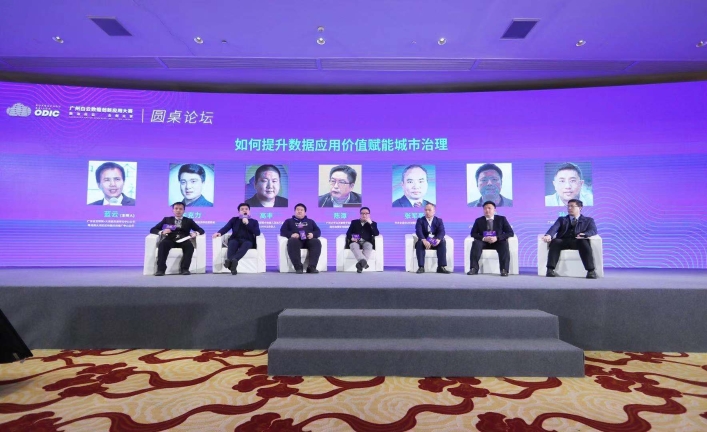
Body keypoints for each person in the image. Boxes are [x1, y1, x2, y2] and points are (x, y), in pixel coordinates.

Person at [542, 199, 598, 279]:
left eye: (572, 206)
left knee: (583, 242)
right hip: (563, 241)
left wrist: (585, 234)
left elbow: (593, 230)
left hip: (577, 241)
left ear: (580, 208)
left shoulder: (588, 220)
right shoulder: (561, 219)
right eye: (568, 206)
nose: (569, 208)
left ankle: (591, 271)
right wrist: (549, 235)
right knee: (555, 242)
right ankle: (550, 269)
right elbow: (554, 228)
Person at [149, 202, 205, 276]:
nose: (178, 210)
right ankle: (161, 269)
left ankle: (185, 269)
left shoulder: (189, 221)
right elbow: (153, 229)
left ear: (184, 211)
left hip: (183, 240)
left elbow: (201, 230)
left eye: (180, 209)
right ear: (173, 210)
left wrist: (195, 233)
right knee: (163, 244)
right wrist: (162, 232)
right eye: (176, 208)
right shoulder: (166, 219)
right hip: (170, 239)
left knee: (189, 246)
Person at [467, 201, 515, 276]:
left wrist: (497, 238)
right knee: (476, 243)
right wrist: (483, 238)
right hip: (484, 242)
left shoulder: (501, 219)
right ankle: (473, 269)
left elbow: (510, 232)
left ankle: (504, 270)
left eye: (489, 208)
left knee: (504, 244)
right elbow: (473, 233)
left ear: (494, 210)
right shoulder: (478, 220)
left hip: (497, 241)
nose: (487, 210)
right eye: (485, 208)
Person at [212, 203, 260, 275]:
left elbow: (257, 233)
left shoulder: (254, 221)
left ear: (249, 211)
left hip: (248, 241)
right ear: (239, 212)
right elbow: (226, 228)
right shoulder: (234, 220)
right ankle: (233, 265)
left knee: (247, 244)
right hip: (235, 239)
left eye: (246, 209)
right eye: (242, 209)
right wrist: (219, 233)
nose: (244, 210)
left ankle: (230, 261)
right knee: (232, 242)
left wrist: (247, 223)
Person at [280, 203, 322, 274]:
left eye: (301, 210)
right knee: (292, 241)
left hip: (308, 240)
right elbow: (283, 231)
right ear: (294, 211)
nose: (299, 211)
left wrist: (313, 234)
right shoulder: (288, 221)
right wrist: (291, 234)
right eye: (297, 210)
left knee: (316, 241)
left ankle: (312, 267)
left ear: (305, 212)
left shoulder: (310, 221)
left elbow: (318, 231)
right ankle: (298, 267)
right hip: (296, 240)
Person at [414, 203, 451, 274]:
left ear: (434, 211)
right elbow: (418, 231)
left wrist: (438, 239)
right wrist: (424, 240)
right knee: (419, 243)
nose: (427, 212)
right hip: (424, 242)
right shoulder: (420, 220)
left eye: (429, 210)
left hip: (434, 242)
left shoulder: (439, 220)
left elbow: (442, 231)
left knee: (442, 242)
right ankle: (421, 267)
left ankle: (441, 267)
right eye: (425, 210)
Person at [345, 207, 380, 273]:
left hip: (367, 241)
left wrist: (371, 223)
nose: (364, 215)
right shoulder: (354, 222)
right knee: (353, 246)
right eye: (362, 213)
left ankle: (360, 265)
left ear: (369, 214)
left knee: (369, 246)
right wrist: (352, 238)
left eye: (366, 213)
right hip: (355, 241)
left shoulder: (373, 223)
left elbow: (376, 233)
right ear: (360, 214)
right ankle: (363, 263)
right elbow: (348, 233)